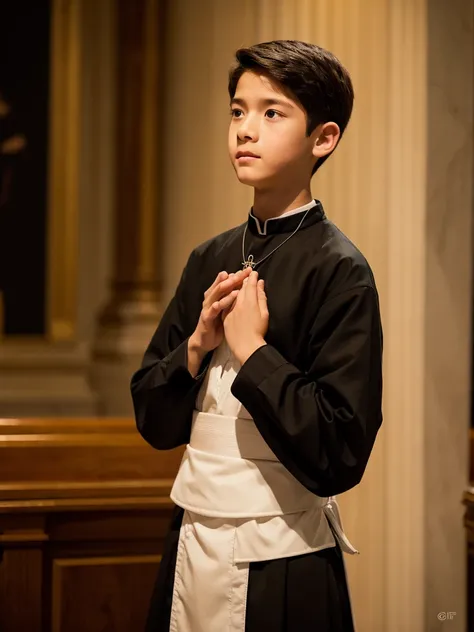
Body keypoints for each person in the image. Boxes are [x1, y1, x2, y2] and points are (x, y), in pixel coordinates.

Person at [131, 39, 383, 632]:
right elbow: (153, 418)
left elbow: (341, 451)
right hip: (192, 535)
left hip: (284, 554)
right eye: (238, 111)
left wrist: (253, 354)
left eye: (272, 113)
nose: (245, 129)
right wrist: (195, 347)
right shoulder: (209, 257)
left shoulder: (341, 269)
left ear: (323, 138)